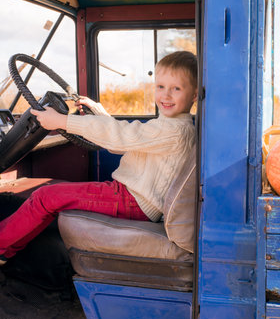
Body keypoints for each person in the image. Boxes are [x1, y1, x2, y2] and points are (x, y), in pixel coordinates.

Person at [0, 51, 197, 265]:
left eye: (176, 89)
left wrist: (62, 122)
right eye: (161, 87)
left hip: (133, 201)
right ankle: (7, 248)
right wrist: (98, 111)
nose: (166, 95)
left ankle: (2, 247)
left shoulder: (175, 132)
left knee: (44, 196)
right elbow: (126, 141)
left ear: (194, 95)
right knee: (48, 196)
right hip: (132, 198)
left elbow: (121, 136)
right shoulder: (172, 127)